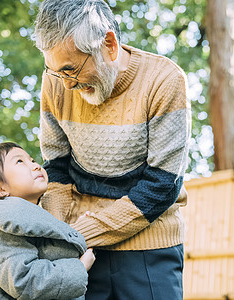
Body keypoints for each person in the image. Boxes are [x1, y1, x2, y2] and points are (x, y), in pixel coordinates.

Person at [33, 0, 191, 299]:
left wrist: (78, 234)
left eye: (70, 69)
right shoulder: (55, 83)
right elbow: (55, 168)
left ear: (109, 44)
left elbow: (162, 185)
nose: (65, 85)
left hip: (150, 246)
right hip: (78, 250)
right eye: (55, 72)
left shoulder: (165, 80)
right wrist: (59, 238)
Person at [0, 142, 95, 300]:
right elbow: (24, 280)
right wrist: (80, 268)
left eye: (32, 160)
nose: (35, 166)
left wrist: (75, 233)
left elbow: (46, 254)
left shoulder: (27, 221)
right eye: (19, 162)